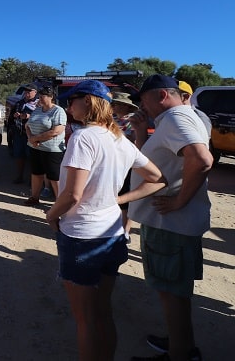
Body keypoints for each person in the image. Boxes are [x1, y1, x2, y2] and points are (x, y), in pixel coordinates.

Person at [46, 80, 164, 361]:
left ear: (87, 101)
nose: (68, 105)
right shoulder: (119, 140)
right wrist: (117, 201)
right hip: (112, 235)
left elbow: (73, 194)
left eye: (71, 100)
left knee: (85, 320)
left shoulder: (83, 137)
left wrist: (51, 215)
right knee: (102, 312)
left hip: (82, 237)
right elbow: (157, 179)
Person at [126, 75, 213, 361]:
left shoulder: (176, 118)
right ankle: (182, 346)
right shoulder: (180, 118)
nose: (142, 105)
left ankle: (179, 354)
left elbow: (201, 160)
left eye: (144, 99)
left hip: (169, 225)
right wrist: (141, 134)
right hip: (171, 224)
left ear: (162, 95)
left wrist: (178, 200)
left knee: (171, 294)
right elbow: (161, 161)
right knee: (175, 292)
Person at [24, 85, 66, 206]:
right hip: (35, 147)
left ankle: (60, 204)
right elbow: (28, 125)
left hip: (52, 149)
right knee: (36, 173)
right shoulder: (37, 110)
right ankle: (34, 197)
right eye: (40, 96)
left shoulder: (58, 111)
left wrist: (36, 138)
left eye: (43, 96)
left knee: (54, 176)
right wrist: (31, 138)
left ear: (51, 97)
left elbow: (56, 131)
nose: (40, 99)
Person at [111, 91, 140, 241]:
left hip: (127, 163)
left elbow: (134, 141)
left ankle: (125, 231)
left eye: (117, 104)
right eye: (113, 103)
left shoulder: (133, 121)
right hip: (111, 162)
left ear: (126, 106)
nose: (113, 106)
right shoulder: (111, 119)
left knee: (126, 198)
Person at [9, 84, 39, 184]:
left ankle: (33, 180)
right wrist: (15, 116)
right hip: (19, 133)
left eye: (29, 91)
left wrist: (28, 116)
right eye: (26, 91)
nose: (27, 93)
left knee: (31, 157)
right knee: (19, 156)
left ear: (35, 92)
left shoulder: (38, 103)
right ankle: (20, 176)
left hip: (32, 134)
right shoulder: (19, 103)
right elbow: (12, 117)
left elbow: (41, 116)